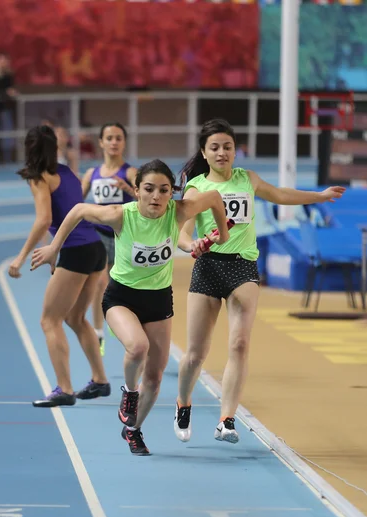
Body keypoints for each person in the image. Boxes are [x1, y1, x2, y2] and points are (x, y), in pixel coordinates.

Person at [30, 159, 229, 455]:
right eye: (148, 189)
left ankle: (133, 429)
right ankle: (129, 392)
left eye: (164, 190)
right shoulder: (121, 215)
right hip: (121, 297)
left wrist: (214, 239)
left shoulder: (179, 211)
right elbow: (78, 210)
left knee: (155, 376)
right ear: (136, 191)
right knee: (137, 347)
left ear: (171, 193)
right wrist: (53, 248)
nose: (156, 197)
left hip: (159, 299)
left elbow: (214, 198)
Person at [174, 118, 345, 444]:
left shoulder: (247, 179)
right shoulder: (196, 187)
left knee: (240, 344)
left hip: (243, 268)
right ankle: (183, 404)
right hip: (208, 267)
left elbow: (279, 194)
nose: (222, 152)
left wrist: (319, 196)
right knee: (196, 353)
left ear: (235, 151)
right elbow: (182, 234)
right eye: (215, 148)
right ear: (204, 153)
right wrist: (191, 245)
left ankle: (226, 419)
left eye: (227, 146)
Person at [8, 125, 111, 407]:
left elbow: (44, 219)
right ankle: (100, 380)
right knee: (76, 318)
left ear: (28, 149)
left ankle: (64, 388)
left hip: (75, 251)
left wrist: (20, 256)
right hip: (95, 249)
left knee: (49, 320)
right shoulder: (68, 173)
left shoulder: (39, 178)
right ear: (54, 148)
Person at [81, 123, 137, 356]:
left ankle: (120, 322)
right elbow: (77, 202)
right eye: (109, 138)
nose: (114, 142)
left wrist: (127, 188)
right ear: (101, 142)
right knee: (100, 282)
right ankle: (98, 331)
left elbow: (145, 200)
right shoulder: (91, 174)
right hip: (99, 235)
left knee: (120, 286)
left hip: (123, 235)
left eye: (118, 138)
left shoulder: (131, 172)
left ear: (124, 143)